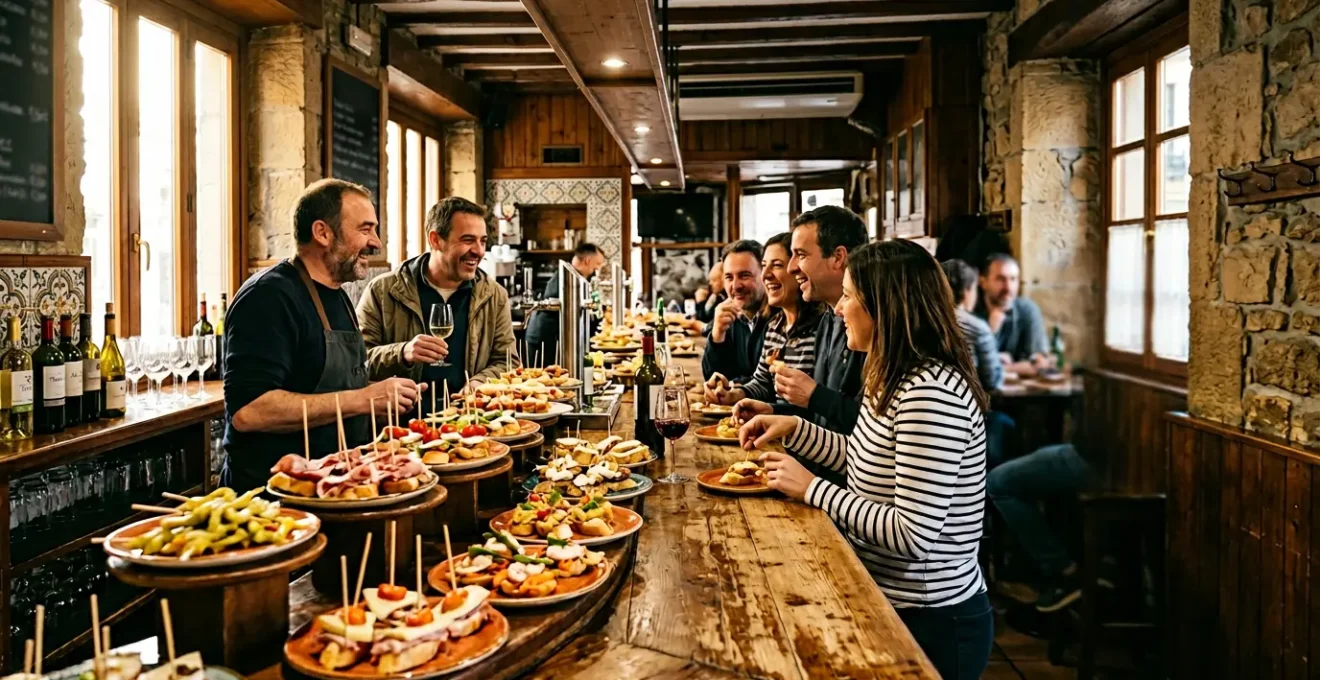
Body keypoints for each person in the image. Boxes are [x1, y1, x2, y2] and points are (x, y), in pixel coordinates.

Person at [738, 239, 993, 680]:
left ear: (886, 307)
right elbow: (867, 455)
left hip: (930, 619)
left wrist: (813, 489)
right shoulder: (893, 373)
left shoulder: (930, 393)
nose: (839, 309)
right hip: (883, 595)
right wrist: (796, 430)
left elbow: (913, 534)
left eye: (851, 296)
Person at [223, 179, 424, 491]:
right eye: (365, 229)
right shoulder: (268, 297)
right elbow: (249, 411)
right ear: (322, 233)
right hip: (278, 498)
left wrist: (385, 397)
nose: (377, 243)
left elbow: (331, 385)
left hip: (336, 486)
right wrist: (362, 399)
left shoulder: (338, 294)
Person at [356, 196, 517, 394]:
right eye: (468, 240)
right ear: (435, 240)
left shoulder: (494, 295)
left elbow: (507, 362)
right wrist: (402, 353)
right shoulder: (382, 291)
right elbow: (357, 362)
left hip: (470, 419)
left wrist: (479, 384)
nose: (479, 251)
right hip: (403, 420)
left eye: (482, 241)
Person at [734, 205, 868, 433]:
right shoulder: (829, 319)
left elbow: (870, 427)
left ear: (838, 257)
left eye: (801, 255)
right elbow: (820, 415)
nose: (791, 267)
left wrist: (814, 395)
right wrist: (771, 411)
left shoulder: (870, 323)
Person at [987, 398, 1095, 613]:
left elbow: (991, 378)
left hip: (1094, 458)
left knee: (998, 482)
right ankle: (1051, 566)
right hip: (1108, 457)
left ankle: (1062, 570)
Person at [705, 232, 827, 406]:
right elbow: (763, 384)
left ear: (797, 269)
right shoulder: (776, 326)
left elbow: (815, 407)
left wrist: (770, 412)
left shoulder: (823, 326)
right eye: (764, 266)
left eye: (777, 265)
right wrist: (734, 394)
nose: (766, 275)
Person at [701, 240, 769, 386]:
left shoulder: (781, 318)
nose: (736, 286)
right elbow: (713, 380)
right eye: (729, 277)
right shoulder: (732, 316)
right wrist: (717, 335)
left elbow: (769, 383)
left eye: (744, 275)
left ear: (765, 274)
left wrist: (735, 385)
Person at [524, 242, 607, 363]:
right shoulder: (567, 278)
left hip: (551, 337)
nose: (598, 269)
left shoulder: (576, 277)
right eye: (598, 264)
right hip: (544, 340)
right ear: (588, 261)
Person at [975, 253, 1051, 376]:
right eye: (1000, 279)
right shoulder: (971, 313)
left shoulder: (1027, 310)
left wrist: (998, 367)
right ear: (983, 282)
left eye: (1013, 279)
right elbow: (968, 366)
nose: (1008, 287)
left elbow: (1040, 364)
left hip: (1023, 393)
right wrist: (990, 330)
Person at [941, 259, 1003, 392]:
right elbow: (992, 381)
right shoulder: (977, 327)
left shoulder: (926, 320)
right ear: (966, 291)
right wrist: (992, 334)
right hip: (967, 403)